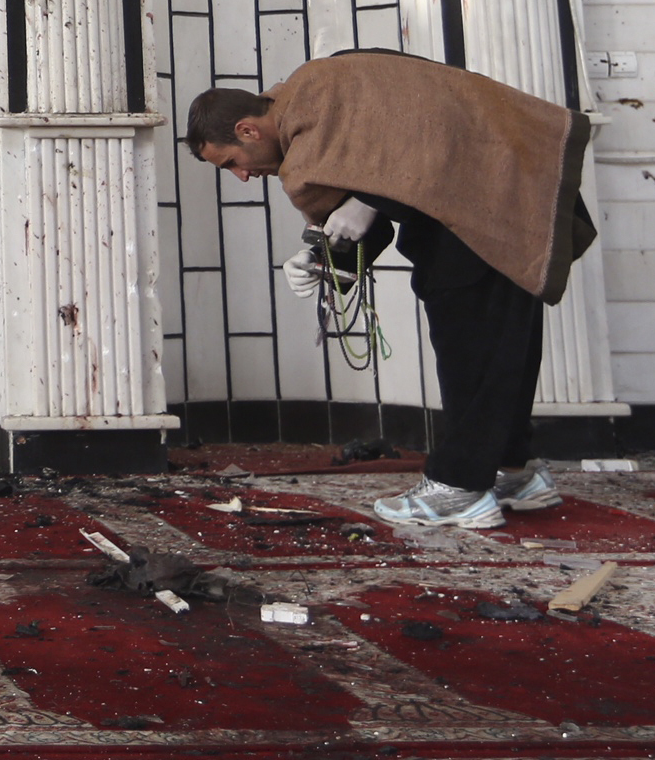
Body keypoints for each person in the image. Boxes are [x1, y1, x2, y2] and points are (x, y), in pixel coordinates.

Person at [185, 49, 596, 531]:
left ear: (247, 130)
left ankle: (458, 488)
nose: (242, 176)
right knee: (505, 348)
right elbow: (374, 163)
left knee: (473, 352)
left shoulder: (324, 86)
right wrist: (323, 257)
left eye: (231, 162)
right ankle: (516, 472)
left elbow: (424, 119)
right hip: (493, 201)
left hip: (485, 200)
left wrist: (368, 198)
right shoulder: (307, 117)